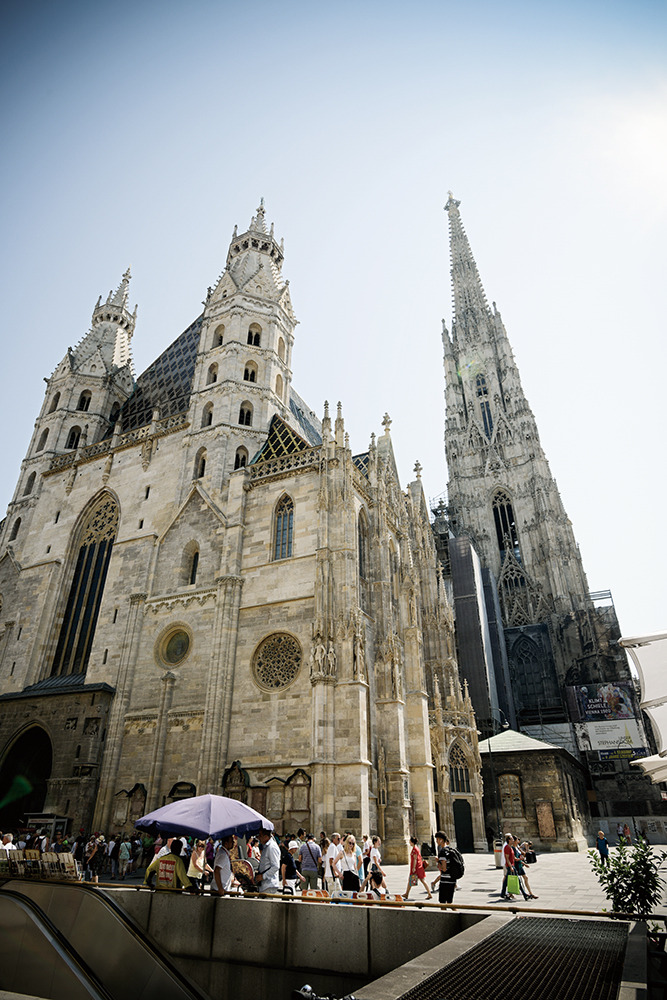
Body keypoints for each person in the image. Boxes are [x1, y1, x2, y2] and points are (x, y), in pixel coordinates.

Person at [430, 831, 457, 905]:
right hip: (452, 879)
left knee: (442, 903)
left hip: (445, 880)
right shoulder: (450, 850)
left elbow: (443, 868)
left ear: (441, 840)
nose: (436, 841)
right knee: (449, 903)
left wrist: (438, 861)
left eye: (437, 839)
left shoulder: (442, 852)